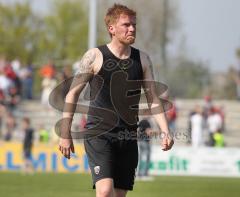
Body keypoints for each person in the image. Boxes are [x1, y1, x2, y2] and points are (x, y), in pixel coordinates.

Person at [58, 4, 174, 197]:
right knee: (104, 192)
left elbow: (153, 98)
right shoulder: (94, 56)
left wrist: (165, 130)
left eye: (134, 25)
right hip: (99, 134)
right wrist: (65, 133)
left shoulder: (143, 59)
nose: (132, 29)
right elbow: (72, 94)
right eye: (126, 25)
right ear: (111, 28)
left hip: (128, 136)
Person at [137, 115, 153, 180]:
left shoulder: (141, 122)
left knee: (140, 158)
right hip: (145, 141)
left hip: (140, 141)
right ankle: (145, 174)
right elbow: (149, 132)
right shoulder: (147, 122)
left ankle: (139, 174)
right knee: (147, 158)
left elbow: (137, 131)